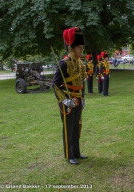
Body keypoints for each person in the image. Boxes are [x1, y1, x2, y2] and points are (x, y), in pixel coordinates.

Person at [52, 27, 88, 165]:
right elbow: (55, 84)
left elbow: (81, 83)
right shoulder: (64, 63)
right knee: (68, 128)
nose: (81, 50)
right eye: (79, 47)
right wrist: (64, 100)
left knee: (76, 126)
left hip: (78, 98)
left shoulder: (80, 63)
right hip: (67, 99)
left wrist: (83, 98)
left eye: (82, 47)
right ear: (72, 48)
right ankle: (69, 154)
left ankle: (77, 153)